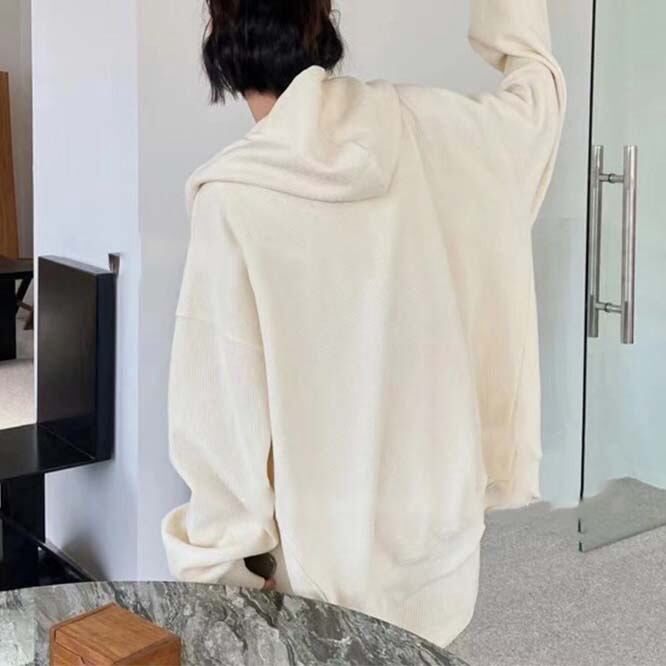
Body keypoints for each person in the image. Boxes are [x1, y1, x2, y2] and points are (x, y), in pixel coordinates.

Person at [162, 0, 565, 648]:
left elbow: (219, 437)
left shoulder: (234, 201)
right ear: (322, 19)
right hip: (443, 575)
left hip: (321, 600)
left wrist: (227, 582)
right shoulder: (440, 130)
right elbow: (537, 103)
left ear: (220, 34)